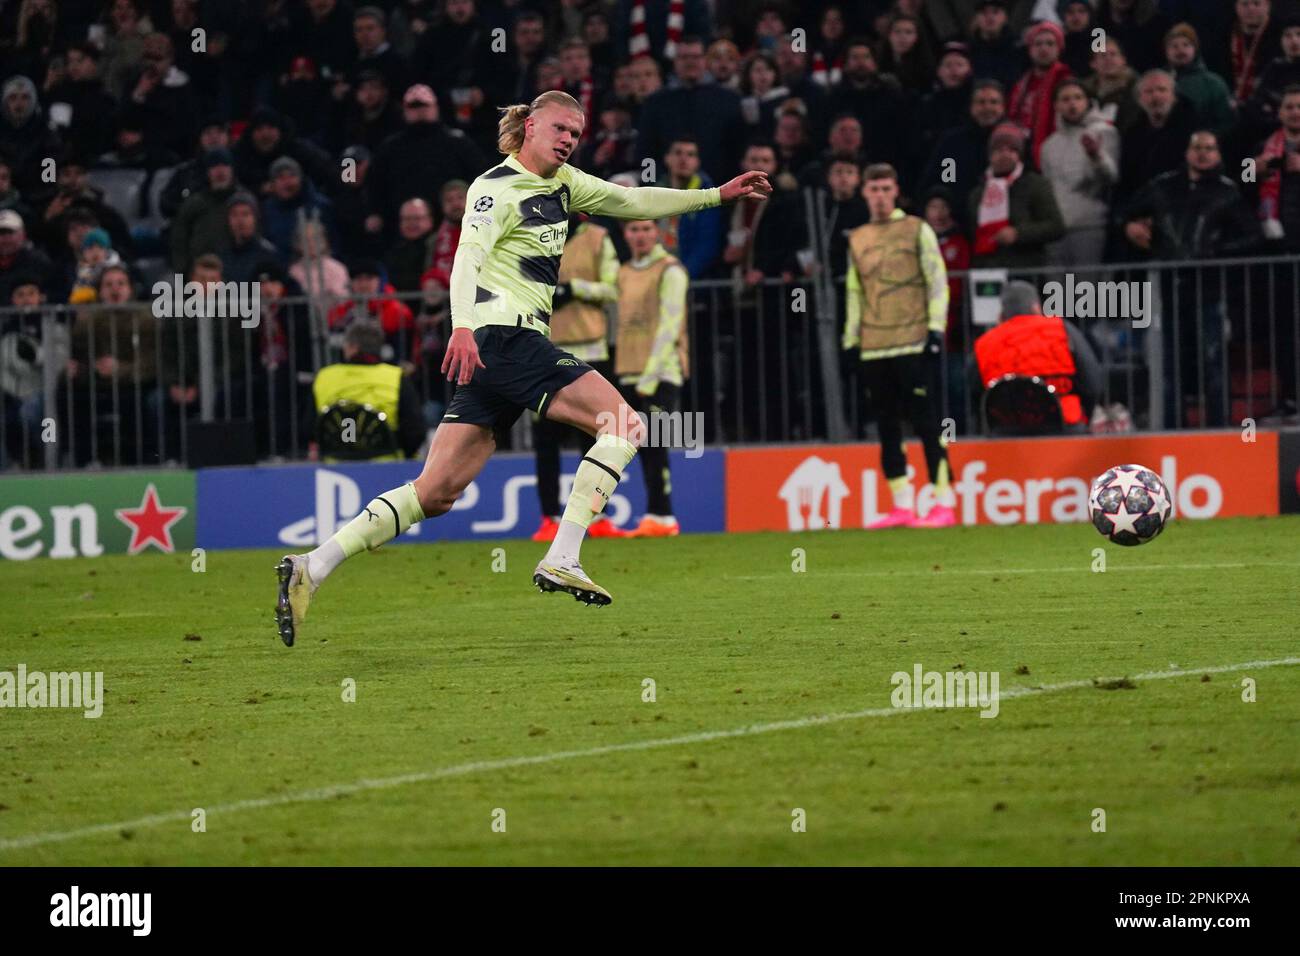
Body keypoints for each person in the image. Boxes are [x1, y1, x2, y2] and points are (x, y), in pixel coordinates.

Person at [275, 89, 771, 644]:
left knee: (434, 493)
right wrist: (461, 325)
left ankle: (311, 567)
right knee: (625, 424)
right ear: (530, 126)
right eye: (560, 129)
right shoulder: (492, 187)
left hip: (501, 353)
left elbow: (631, 202)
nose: (568, 140)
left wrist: (715, 195)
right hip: (503, 338)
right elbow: (469, 257)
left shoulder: (565, 183)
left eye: (576, 135)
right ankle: (563, 555)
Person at [843, 164, 954, 530]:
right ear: (864, 192)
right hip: (875, 344)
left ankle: (943, 502)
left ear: (896, 191)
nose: (878, 194)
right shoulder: (857, 237)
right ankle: (902, 505)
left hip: (912, 339)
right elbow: (855, 292)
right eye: (872, 188)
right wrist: (850, 339)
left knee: (926, 421)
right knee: (887, 426)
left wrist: (936, 328)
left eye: (885, 188)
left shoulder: (917, 229)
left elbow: (937, 278)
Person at [531, 212, 621, 543]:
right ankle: (549, 518)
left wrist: (575, 289)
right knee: (546, 441)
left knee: (597, 438)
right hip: (544, 350)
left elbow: (614, 287)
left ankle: (595, 516)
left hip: (591, 352)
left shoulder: (597, 237)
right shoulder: (533, 232)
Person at [614, 219, 690, 537]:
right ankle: (655, 515)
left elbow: (670, 325)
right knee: (638, 447)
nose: (640, 236)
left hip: (660, 373)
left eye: (646, 229)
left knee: (656, 445)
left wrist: (650, 376)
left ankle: (663, 516)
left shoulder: (670, 270)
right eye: (633, 229)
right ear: (625, 234)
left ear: (656, 232)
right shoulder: (623, 272)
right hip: (628, 369)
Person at [971, 279, 1103, 432]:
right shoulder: (1062, 329)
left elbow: (975, 396)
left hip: (1006, 432)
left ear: (1001, 315)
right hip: (1064, 428)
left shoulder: (984, 344)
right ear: (1036, 308)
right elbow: (1092, 382)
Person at [309, 320, 424, 462]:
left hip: (336, 466)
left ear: (352, 347)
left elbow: (310, 427)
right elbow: (415, 432)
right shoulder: (396, 377)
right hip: (387, 466)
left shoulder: (324, 377)